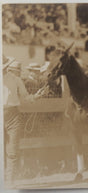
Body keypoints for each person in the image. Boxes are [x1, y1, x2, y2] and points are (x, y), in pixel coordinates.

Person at [3, 56, 41, 188]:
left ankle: (9, 182)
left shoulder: (16, 79)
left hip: (13, 114)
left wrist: (35, 96)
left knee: (12, 150)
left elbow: (25, 97)